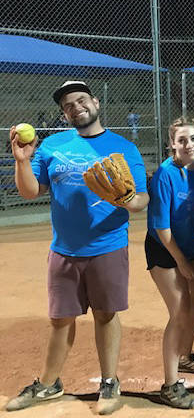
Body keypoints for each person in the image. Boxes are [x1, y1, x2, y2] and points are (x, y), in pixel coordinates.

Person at [6, 80, 149, 414]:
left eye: (82, 100)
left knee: (106, 314)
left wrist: (129, 199)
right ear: (64, 113)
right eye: (68, 105)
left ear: (96, 102)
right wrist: (22, 160)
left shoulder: (123, 147)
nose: (76, 107)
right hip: (64, 250)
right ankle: (49, 383)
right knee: (60, 319)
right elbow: (30, 191)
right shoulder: (52, 145)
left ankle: (109, 382)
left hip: (107, 246)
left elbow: (141, 198)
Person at [146, 117, 194, 409]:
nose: (188, 145)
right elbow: (162, 228)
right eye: (181, 140)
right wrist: (181, 261)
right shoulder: (166, 173)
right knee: (179, 310)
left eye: (193, 139)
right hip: (165, 249)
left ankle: (185, 355)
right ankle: (170, 384)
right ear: (172, 145)